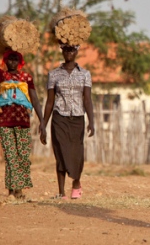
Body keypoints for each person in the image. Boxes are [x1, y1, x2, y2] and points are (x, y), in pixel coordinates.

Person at [0, 31, 45, 199]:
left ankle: (16, 189)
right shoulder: (2, 76)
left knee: (23, 156)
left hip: (23, 122)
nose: (12, 62)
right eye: (9, 59)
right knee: (11, 156)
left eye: (15, 59)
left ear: (20, 62)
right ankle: (14, 191)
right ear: (5, 61)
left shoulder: (26, 77)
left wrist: (42, 122)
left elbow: (35, 99)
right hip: (5, 122)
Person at [40, 44, 95, 200]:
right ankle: (61, 192)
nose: (69, 53)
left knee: (77, 153)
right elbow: (50, 101)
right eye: (66, 50)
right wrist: (43, 124)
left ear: (77, 51)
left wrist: (91, 121)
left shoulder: (85, 74)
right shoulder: (54, 75)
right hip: (59, 117)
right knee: (61, 152)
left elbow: (87, 99)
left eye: (72, 50)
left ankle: (76, 183)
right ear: (62, 51)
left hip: (77, 118)